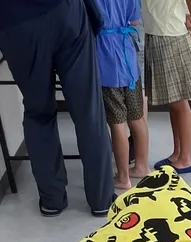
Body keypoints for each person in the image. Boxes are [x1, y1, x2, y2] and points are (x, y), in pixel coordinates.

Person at [0, 0, 114, 217]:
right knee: (88, 110)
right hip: (65, 11)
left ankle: (52, 199)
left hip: (15, 23)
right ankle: (101, 199)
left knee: (38, 112)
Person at [142, 0, 191, 174]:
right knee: (173, 102)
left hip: (169, 35)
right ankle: (178, 153)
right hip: (158, 31)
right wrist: (183, 16)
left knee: (179, 102)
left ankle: (186, 158)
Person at [95, 0, 150, 190]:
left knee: (117, 122)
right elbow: (134, 20)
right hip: (128, 56)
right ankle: (142, 166)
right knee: (137, 117)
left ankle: (123, 178)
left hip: (105, 57)